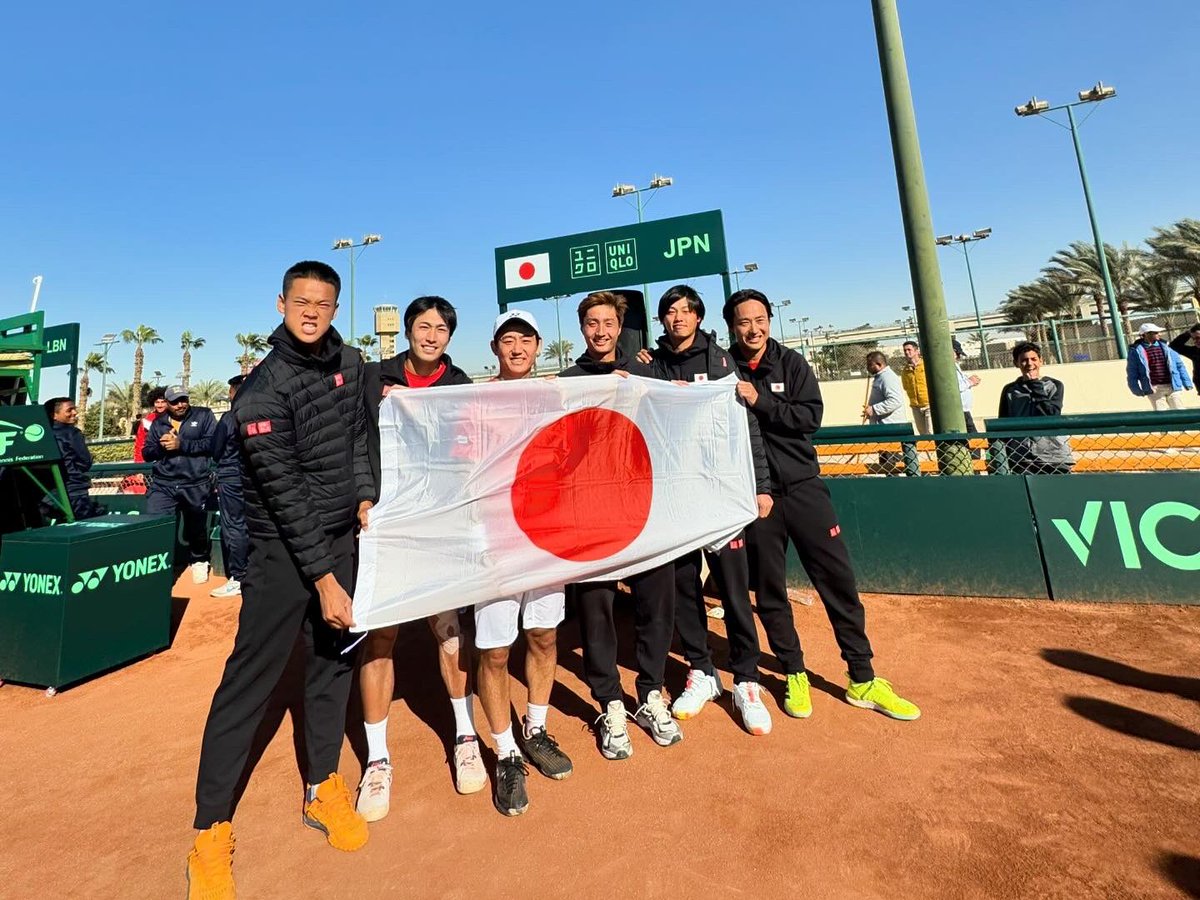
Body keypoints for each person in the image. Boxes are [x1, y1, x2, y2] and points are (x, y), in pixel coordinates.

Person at [186, 261, 374, 900]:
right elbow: (284, 490)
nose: (313, 312)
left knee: (332, 665)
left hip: (341, 539)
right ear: (282, 303)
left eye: (324, 303)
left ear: (335, 307)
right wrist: (322, 576)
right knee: (250, 682)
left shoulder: (348, 362)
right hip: (281, 556)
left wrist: (365, 496)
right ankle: (210, 830)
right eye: (302, 302)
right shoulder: (261, 389)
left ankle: (322, 786)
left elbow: (356, 439)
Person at [724, 289, 920, 723]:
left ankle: (862, 677)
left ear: (770, 321)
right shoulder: (723, 367)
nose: (753, 328)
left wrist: (761, 401)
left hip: (805, 490)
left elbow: (809, 418)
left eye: (760, 319)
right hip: (756, 499)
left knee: (838, 583)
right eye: (743, 322)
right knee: (770, 590)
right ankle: (793, 671)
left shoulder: (792, 363)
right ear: (731, 327)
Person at [356, 296, 484, 822]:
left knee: (449, 629)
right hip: (386, 520)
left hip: (442, 520)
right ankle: (378, 759)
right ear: (407, 331)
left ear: (450, 337)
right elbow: (354, 442)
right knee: (381, 632)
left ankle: (466, 735)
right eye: (423, 326)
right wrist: (363, 496)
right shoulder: (370, 378)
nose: (432, 335)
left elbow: (476, 450)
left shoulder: (460, 386)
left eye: (441, 329)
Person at [642, 284, 774, 736]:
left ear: (698, 317)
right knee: (684, 589)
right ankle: (702, 671)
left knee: (736, 592)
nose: (678, 318)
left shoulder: (722, 361)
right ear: (662, 320)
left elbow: (748, 427)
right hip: (676, 500)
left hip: (721, 496)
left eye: (685, 311)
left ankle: (747, 679)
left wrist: (761, 485)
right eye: (670, 312)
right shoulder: (651, 363)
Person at [560, 292, 683, 759]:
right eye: (592, 323)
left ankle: (651, 693)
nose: (601, 331)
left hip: (645, 513)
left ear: (620, 325)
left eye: (608, 322)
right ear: (582, 328)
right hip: (593, 518)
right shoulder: (565, 382)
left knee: (656, 603)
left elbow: (675, 424)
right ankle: (609, 702)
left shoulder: (646, 372)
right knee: (597, 613)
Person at [476, 308, 573, 817]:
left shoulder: (556, 395)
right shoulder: (475, 400)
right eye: (507, 339)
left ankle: (535, 729)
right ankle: (505, 751)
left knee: (543, 636)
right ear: (495, 348)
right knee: (494, 651)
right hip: (497, 540)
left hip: (546, 541)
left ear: (538, 346)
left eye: (525, 339)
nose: (516, 347)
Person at [144, 385, 216, 584]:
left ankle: (199, 560)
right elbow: (146, 453)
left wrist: (181, 444)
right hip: (163, 484)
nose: (180, 404)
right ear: (166, 403)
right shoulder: (158, 423)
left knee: (196, 527)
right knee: (156, 526)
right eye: (175, 401)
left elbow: (213, 443)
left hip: (195, 483)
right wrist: (161, 447)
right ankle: (159, 567)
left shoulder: (204, 415)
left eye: (183, 399)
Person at [997, 342, 1074, 475]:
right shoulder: (1010, 390)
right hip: (1022, 457)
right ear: (1017, 363)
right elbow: (1003, 422)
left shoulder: (1054, 385)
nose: (1029, 364)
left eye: (1033, 359)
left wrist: (1034, 385)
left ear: (1041, 361)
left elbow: (1051, 414)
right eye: (1024, 360)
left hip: (1054, 456)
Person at [209, 376, 247, 599]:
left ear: (233, 393)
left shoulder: (229, 417)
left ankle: (240, 577)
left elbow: (216, 449)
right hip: (255, 478)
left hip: (231, 476)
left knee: (234, 526)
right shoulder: (260, 412)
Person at [43, 397, 100, 520]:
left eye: (74, 409)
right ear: (54, 415)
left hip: (49, 495)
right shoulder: (73, 433)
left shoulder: (43, 434)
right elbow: (85, 462)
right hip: (75, 492)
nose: (74, 413)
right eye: (69, 410)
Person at [1127, 322, 1193, 410]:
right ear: (1146, 334)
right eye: (1156, 332)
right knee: (1161, 414)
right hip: (1154, 389)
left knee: (1179, 410)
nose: (1159, 334)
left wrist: (1187, 382)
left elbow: (1179, 365)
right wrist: (1136, 389)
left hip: (1172, 385)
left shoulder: (1168, 347)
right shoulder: (1135, 351)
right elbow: (1132, 372)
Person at [863, 350, 908, 474]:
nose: (867, 368)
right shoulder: (880, 377)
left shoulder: (887, 377)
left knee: (890, 463)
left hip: (890, 427)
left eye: (869, 365)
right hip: (883, 426)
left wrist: (874, 409)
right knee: (886, 462)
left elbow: (895, 400)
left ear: (878, 364)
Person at [133, 388, 168, 462]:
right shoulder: (146, 421)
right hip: (152, 461)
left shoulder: (175, 418)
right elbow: (139, 445)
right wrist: (139, 468)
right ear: (153, 403)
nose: (160, 405)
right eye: (157, 402)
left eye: (163, 402)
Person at [1168, 323, 1200, 395]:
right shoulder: (1194, 352)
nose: (1195, 341)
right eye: (1193, 339)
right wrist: (1187, 334)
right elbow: (1174, 346)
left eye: (1198, 338)